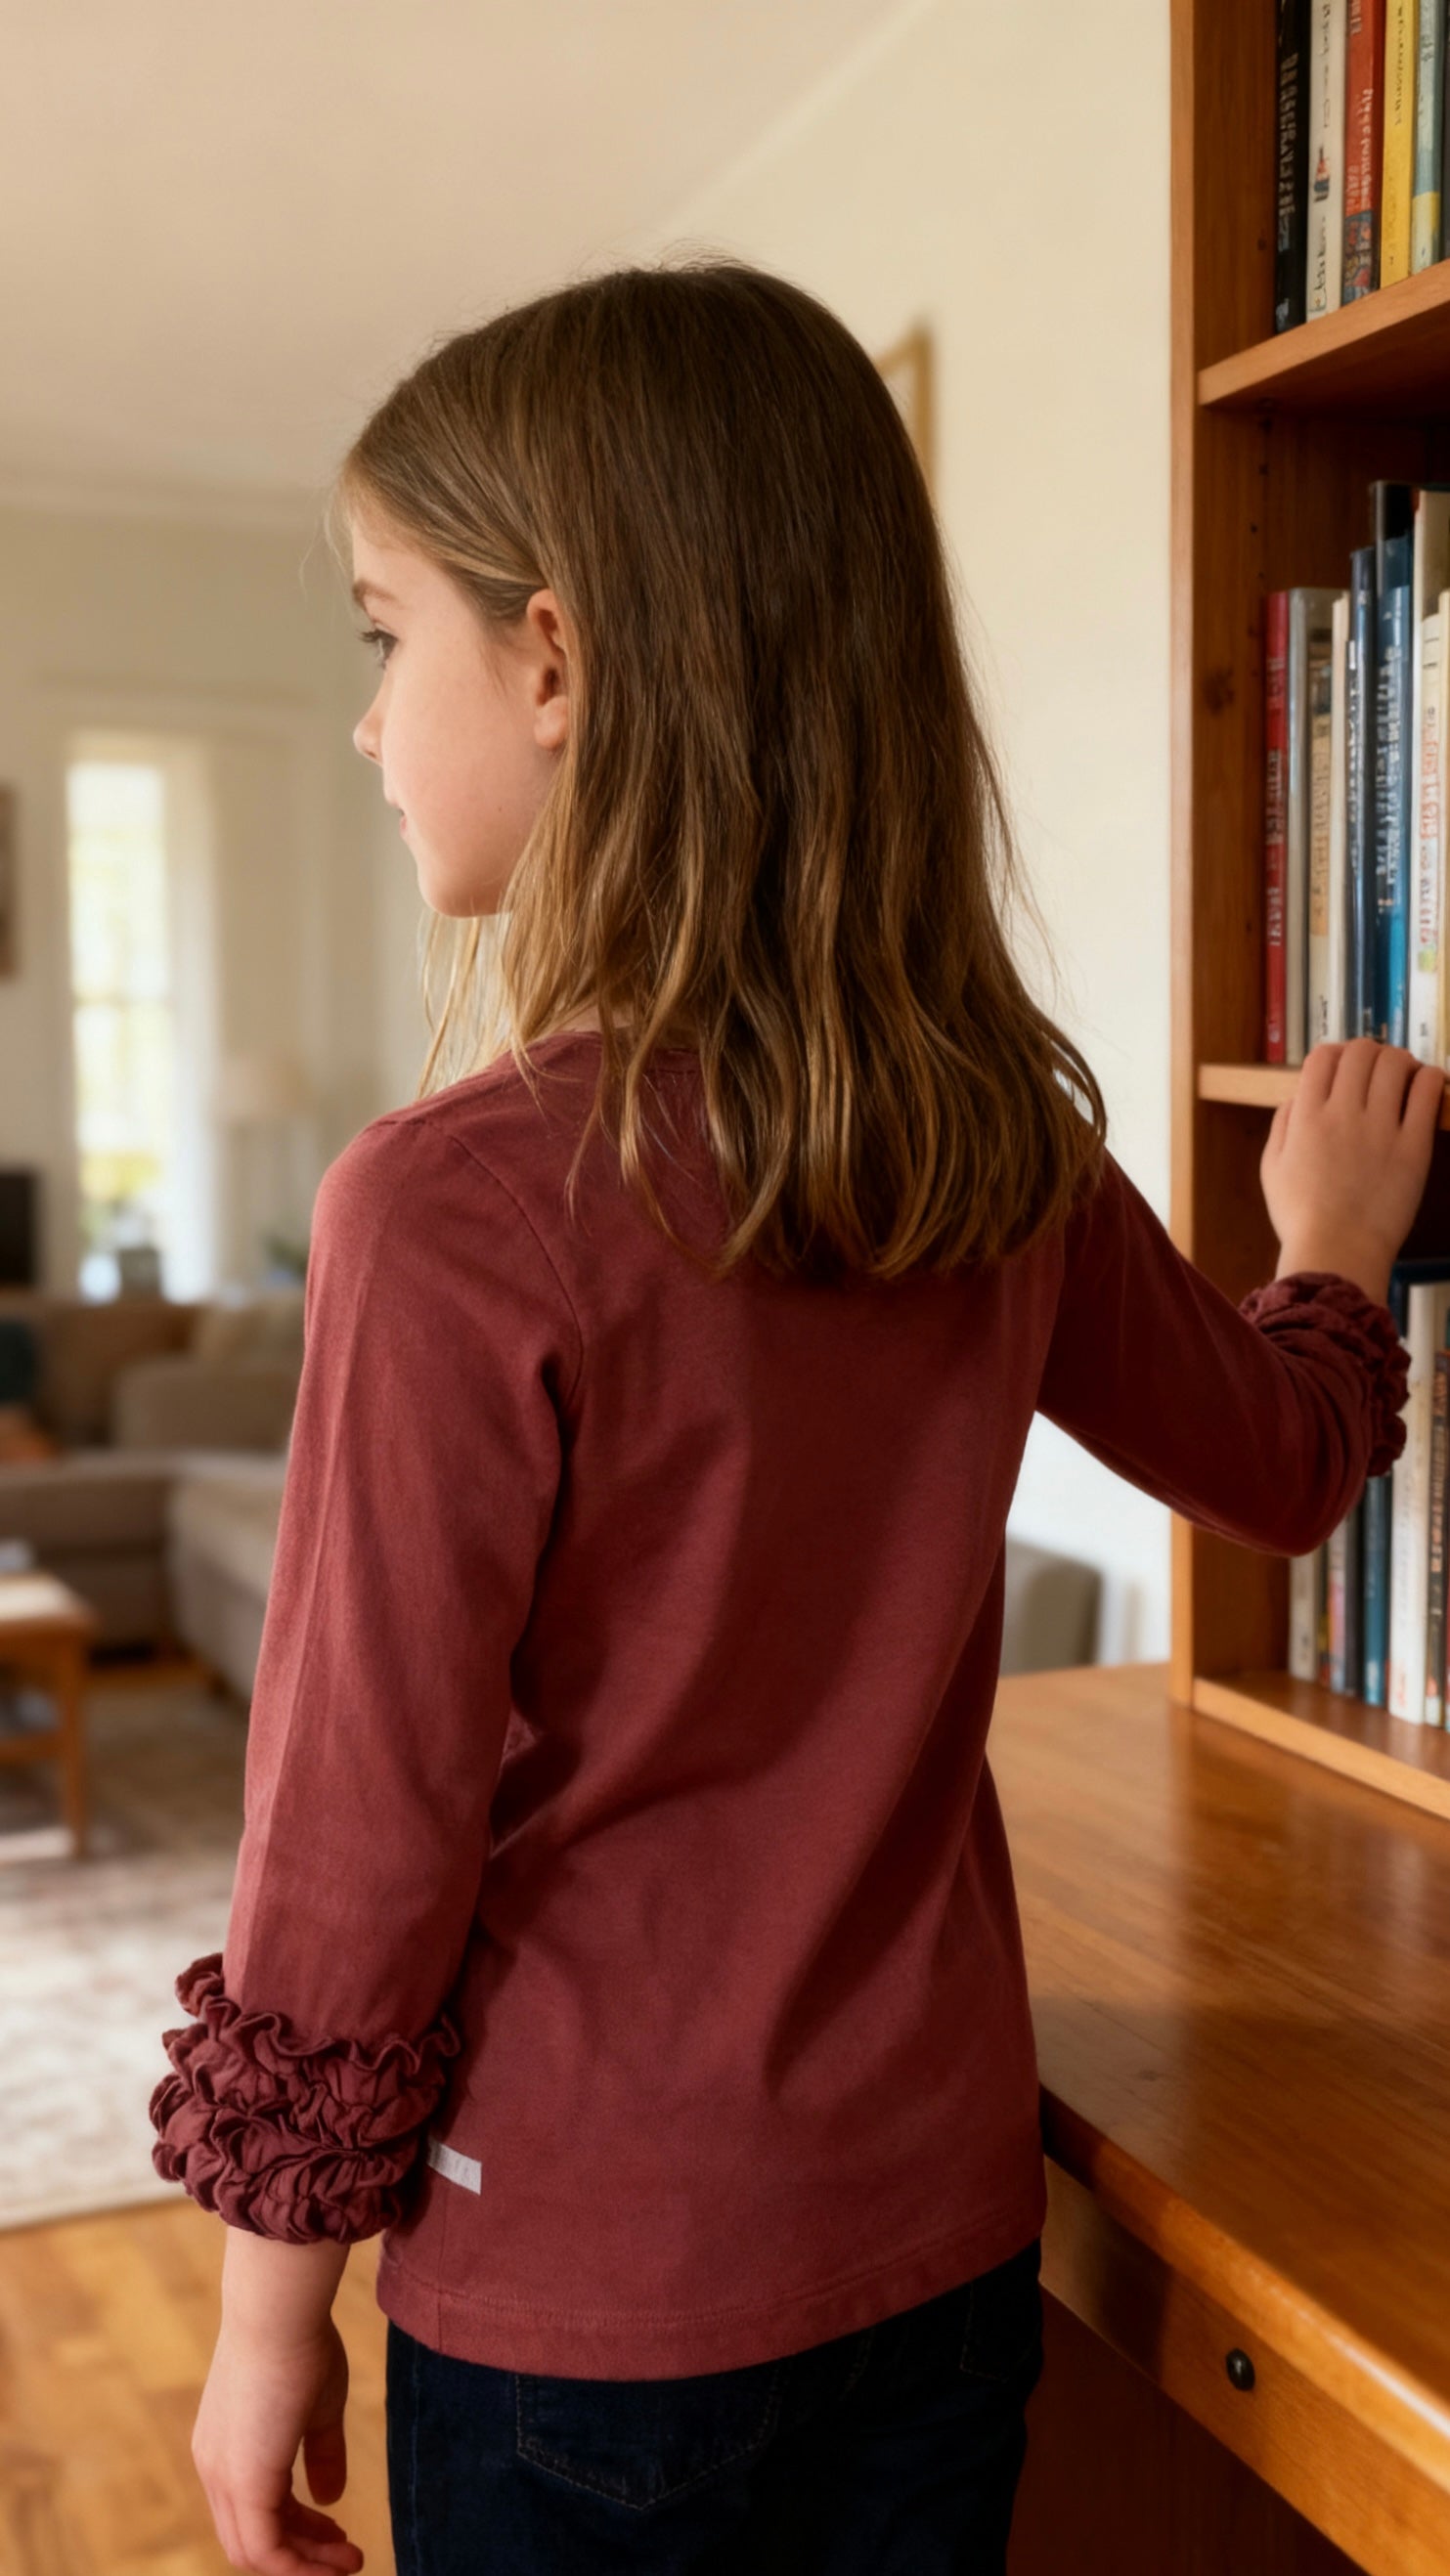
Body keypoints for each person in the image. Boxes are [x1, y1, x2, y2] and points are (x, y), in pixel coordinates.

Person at [149, 257, 1440, 2576]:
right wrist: (1331, 1240)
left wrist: (265, 2323)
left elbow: (350, 1849)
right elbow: (1282, 1453)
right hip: (936, 2259)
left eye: (379, 635)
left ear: (550, 659)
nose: (364, 723)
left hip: (583, 2313)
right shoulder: (992, 1144)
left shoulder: (450, 1212)